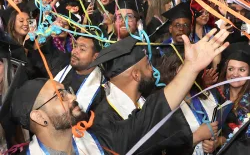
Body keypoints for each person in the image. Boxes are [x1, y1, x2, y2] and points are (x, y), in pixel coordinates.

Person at [11, 28, 230, 155]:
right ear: (39, 116)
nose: (72, 96)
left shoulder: (100, 142)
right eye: (60, 95)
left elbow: (151, 115)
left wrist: (191, 67)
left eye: (66, 91)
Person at [54, 35, 104, 112]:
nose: (74, 51)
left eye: (82, 49)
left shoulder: (101, 89)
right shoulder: (60, 65)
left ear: (95, 56)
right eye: (75, 46)